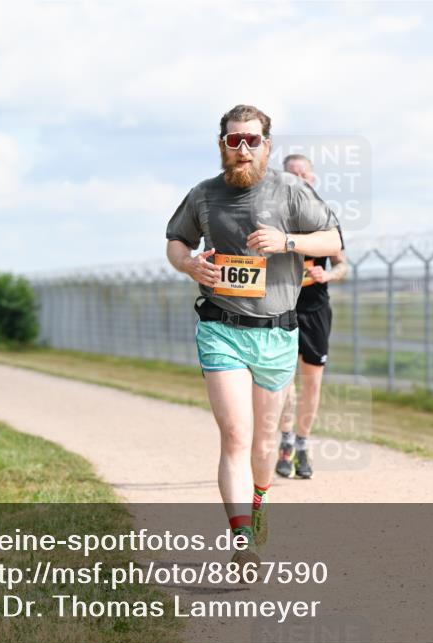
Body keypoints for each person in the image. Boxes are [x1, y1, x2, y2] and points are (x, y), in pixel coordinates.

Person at [165, 105, 341, 563]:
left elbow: (334, 241)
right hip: (221, 328)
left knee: (264, 444)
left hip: (278, 334)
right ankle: (241, 541)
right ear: (222, 144)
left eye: (252, 140)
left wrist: (288, 242)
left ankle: (258, 506)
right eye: (234, 140)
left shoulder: (291, 192)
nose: (243, 148)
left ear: (267, 145)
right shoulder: (204, 195)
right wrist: (188, 264)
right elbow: (176, 241)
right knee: (236, 437)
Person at [275, 155, 350, 479]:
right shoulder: (274, 220)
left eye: (304, 174)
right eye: (292, 175)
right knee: (284, 384)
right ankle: (286, 443)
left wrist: (327, 276)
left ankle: (303, 445)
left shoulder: (323, 219)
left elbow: (342, 264)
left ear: (313, 179)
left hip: (315, 309)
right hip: (281, 307)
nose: (299, 180)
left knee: (312, 383)